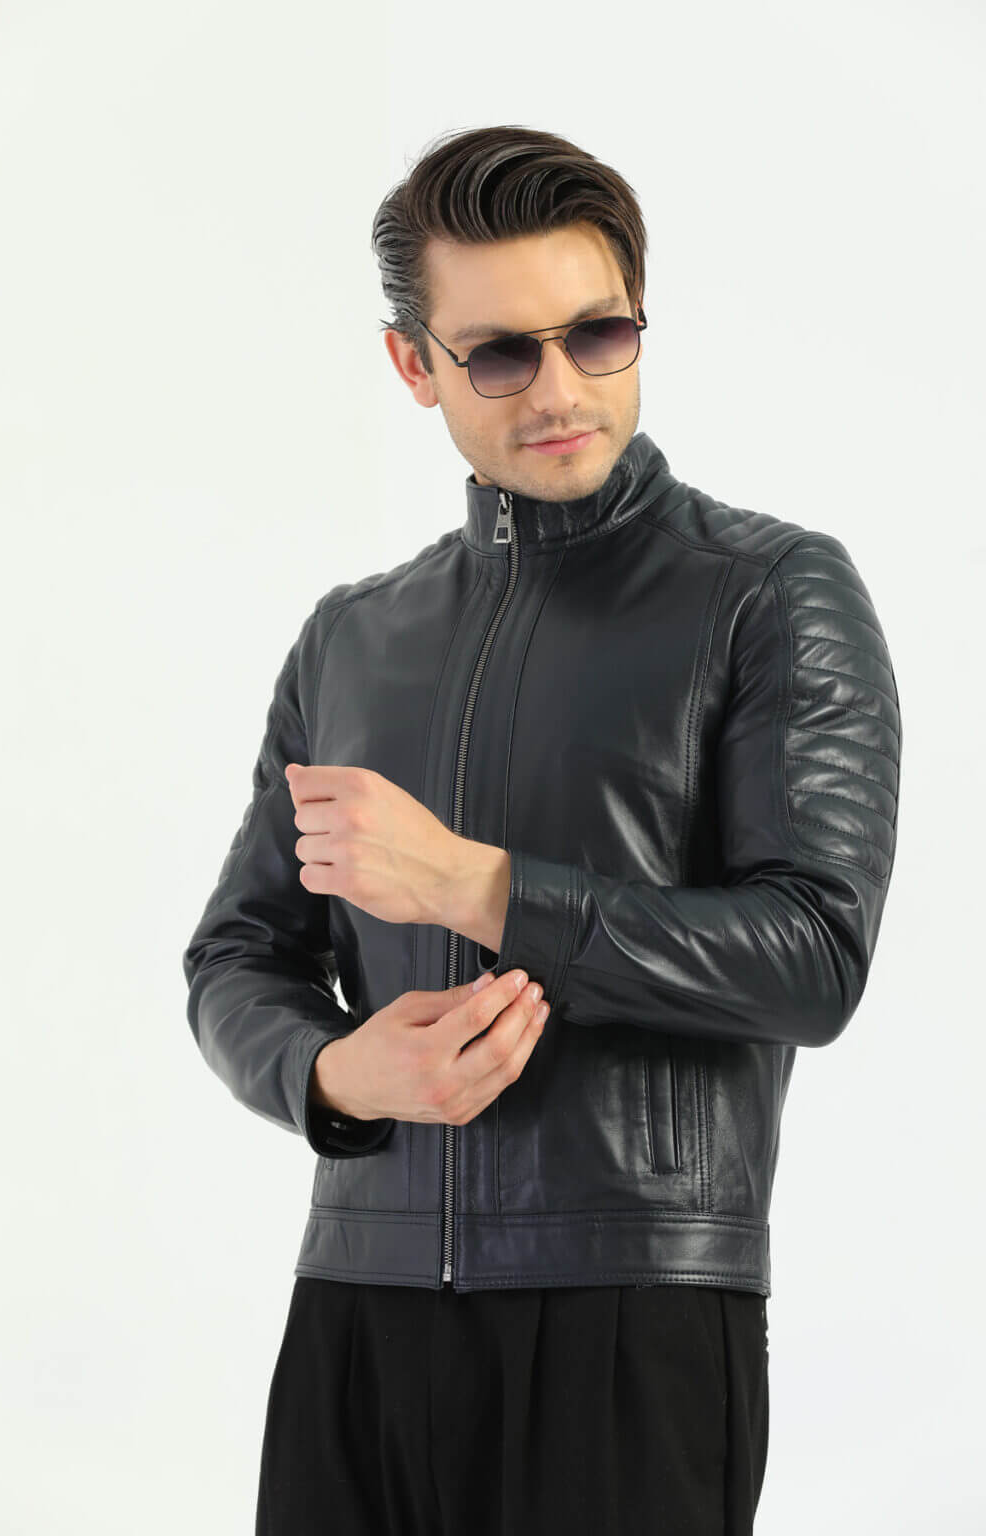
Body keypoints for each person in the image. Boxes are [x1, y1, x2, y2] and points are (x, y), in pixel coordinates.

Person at [182, 124, 902, 1536]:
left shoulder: (768, 592)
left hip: (634, 1310)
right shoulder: (353, 637)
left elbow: (813, 956)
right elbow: (235, 957)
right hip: (360, 1300)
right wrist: (333, 1073)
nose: (562, 388)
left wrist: (482, 888)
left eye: (600, 333)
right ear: (415, 364)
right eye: (502, 353)